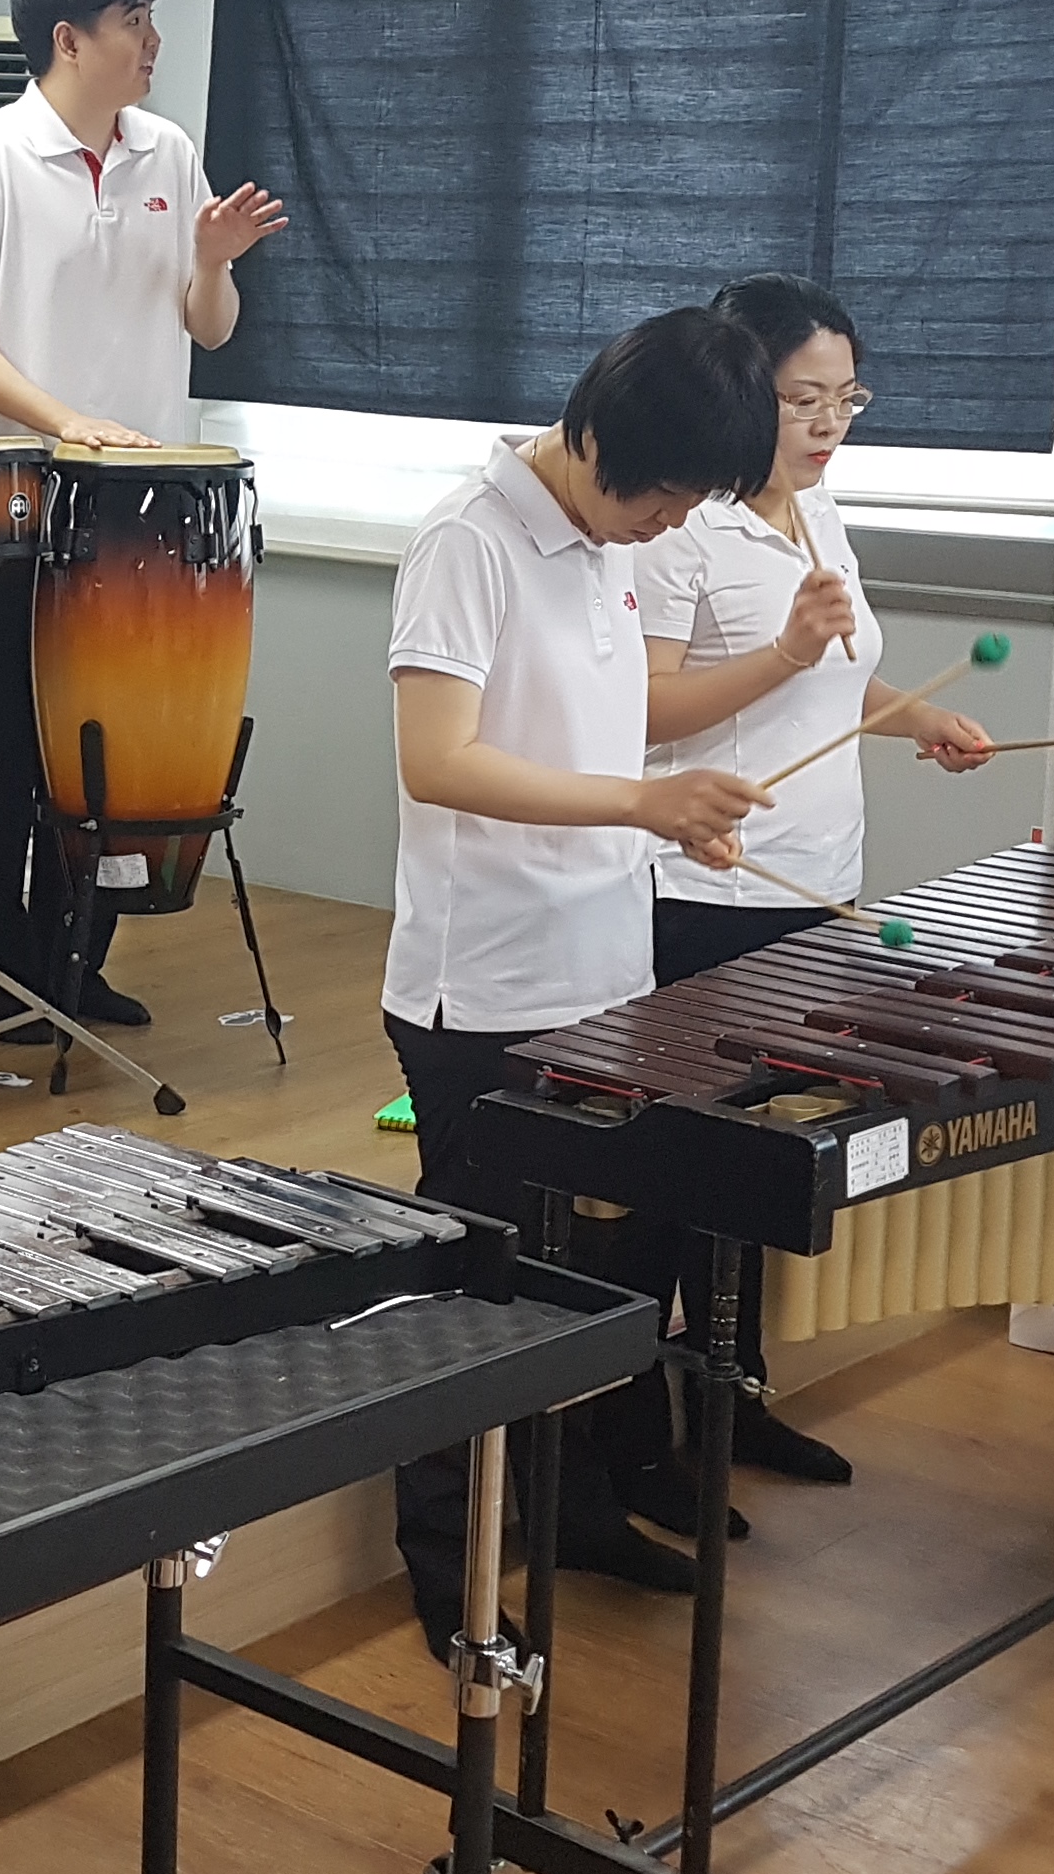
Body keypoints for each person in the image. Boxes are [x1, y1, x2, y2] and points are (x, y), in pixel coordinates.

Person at [383, 309, 778, 1655]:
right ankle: (446, 1569)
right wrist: (638, 801)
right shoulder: (468, 543)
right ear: (601, 435)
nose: (675, 523)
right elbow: (438, 761)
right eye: (667, 493)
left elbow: (596, 745)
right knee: (475, 1292)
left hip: (604, 968)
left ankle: (578, 1513)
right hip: (486, 988)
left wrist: (669, 818)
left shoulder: (609, 543)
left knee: (594, 1277)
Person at [633, 272, 994, 1499]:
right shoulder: (682, 527)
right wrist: (786, 650)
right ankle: (650, 1429)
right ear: (742, 391)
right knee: (683, 1170)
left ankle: (735, 1393)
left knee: (761, 1165)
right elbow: (645, 709)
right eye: (803, 400)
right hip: (705, 887)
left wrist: (918, 716)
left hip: (818, 884)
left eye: (848, 398)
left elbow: (835, 683)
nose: (830, 423)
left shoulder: (818, 510)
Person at [0, 0, 285, 1034]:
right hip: (24, 494)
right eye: (134, 21)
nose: (153, 40)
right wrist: (64, 421)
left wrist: (212, 260)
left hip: (145, 505)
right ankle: (2, 976)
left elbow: (209, 328)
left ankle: (77, 967)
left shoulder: (167, 150)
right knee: (11, 743)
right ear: (69, 40)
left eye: (151, 18)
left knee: (114, 754)